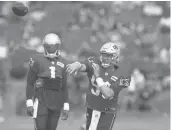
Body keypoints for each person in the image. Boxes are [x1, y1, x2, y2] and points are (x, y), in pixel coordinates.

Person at [66, 42, 131, 130]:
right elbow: (84, 65)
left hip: (107, 111)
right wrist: (77, 65)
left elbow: (108, 94)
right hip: (91, 107)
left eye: (109, 56)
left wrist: (98, 77)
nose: (105, 58)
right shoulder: (95, 61)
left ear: (116, 57)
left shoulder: (122, 73)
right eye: (104, 55)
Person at [26, 33, 69, 130]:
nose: (52, 49)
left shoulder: (63, 61)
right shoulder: (37, 60)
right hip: (41, 100)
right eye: (49, 46)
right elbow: (30, 82)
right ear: (44, 47)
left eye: (54, 46)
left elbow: (64, 86)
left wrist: (66, 105)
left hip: (56, 101)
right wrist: (29, 102)